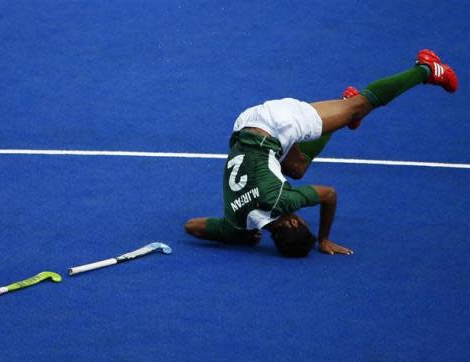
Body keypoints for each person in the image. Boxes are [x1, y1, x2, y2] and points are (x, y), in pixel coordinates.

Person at [185, 49, 457, 257]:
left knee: (359, 106)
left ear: (291, 224)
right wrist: (239, 236)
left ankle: (426, 69)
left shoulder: (283, 201)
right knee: (297, 169)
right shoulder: (236, 224)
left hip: (277, 124)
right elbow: (192, 226)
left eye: (303, 220)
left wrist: (324, 239)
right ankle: (340, 112)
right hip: (243, 126)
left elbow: (329, 194)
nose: (301, 215)